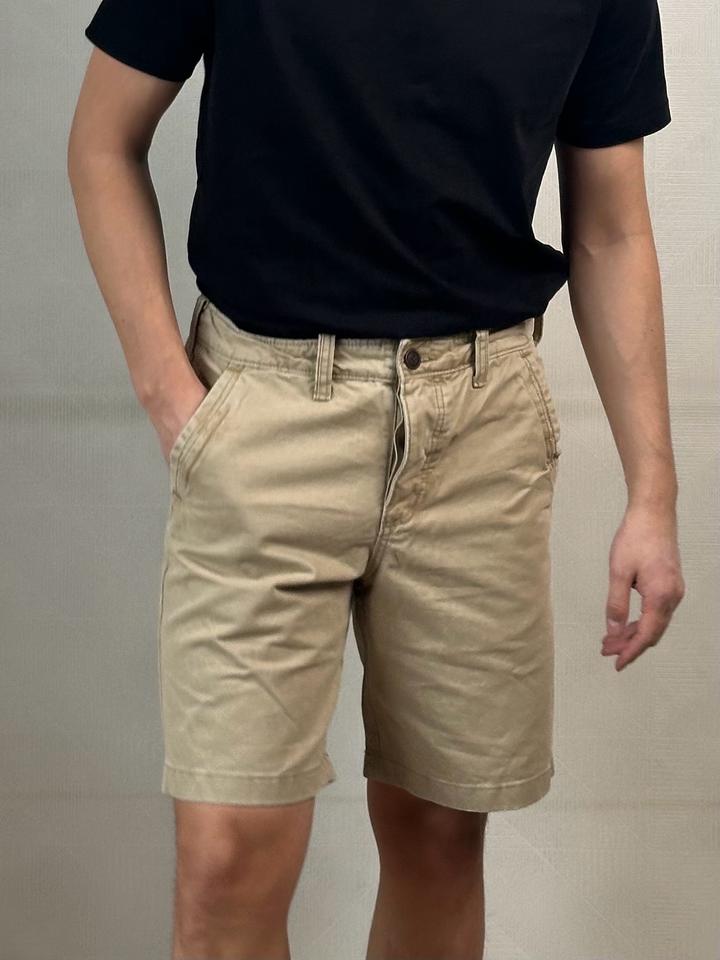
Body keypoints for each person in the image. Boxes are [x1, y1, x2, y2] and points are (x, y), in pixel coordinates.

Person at [67, 0, 685, 954]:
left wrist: (653, 493)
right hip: (268, 414)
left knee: (440, 835)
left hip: (481, 429)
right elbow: (104, 141)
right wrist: (172, 398)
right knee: (227, 858)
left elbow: (610, 227)